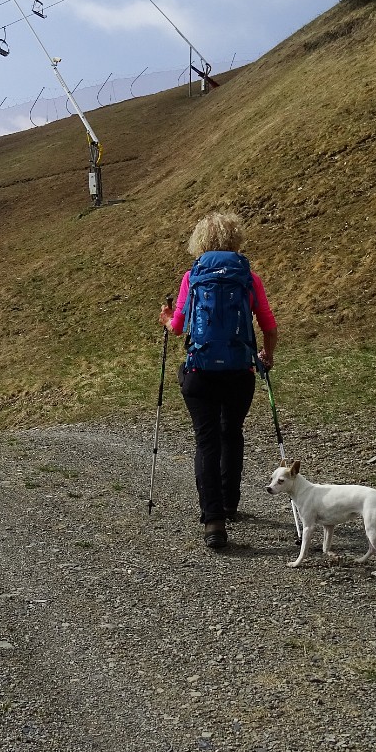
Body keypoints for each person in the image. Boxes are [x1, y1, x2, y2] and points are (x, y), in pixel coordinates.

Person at [159, 211, 278, 550]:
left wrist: (167, 317)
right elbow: (269, 325)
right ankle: (230, 503)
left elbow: (179, 326)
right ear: (235, 239)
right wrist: (267, 356)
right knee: (232, 433)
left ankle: (213, 522)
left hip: (200, 372)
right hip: (240, 372)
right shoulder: (248, 278)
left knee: (206, 441)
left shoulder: (192, 277)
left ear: (200, 242)